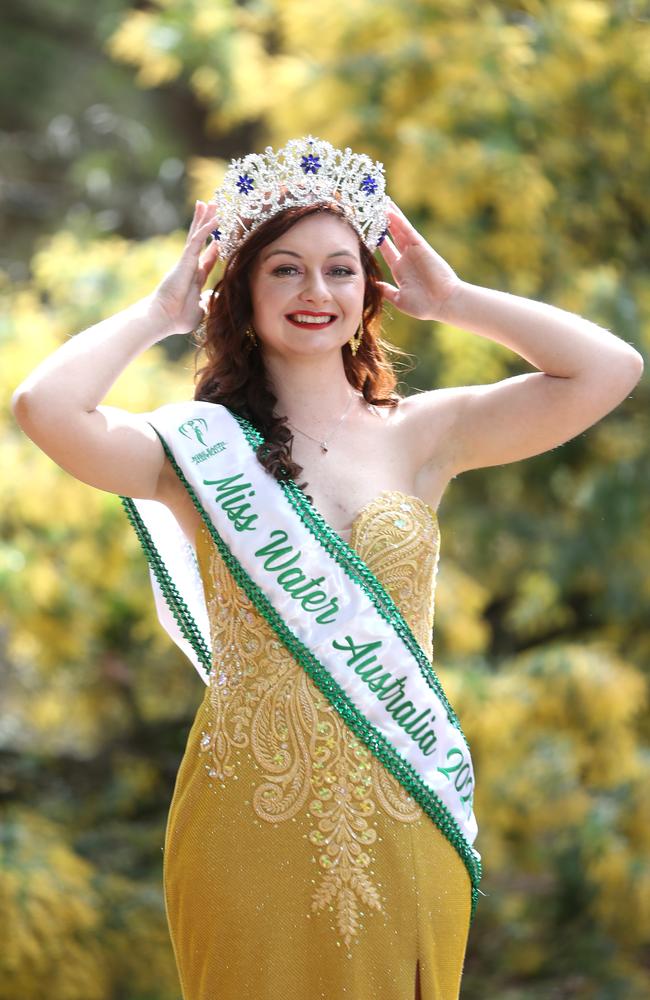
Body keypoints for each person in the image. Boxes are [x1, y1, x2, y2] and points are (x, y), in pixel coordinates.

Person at [11, 136, 643, 1000]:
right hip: (248, 817)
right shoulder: (193, 453)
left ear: (369, 290)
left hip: (403, 793)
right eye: (285, 270)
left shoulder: (425, 435)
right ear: (241, 291)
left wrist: (454, 300)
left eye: (340, 270)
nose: (317, 293)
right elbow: (44, 407)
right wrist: (162, 310)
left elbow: (611, 369)